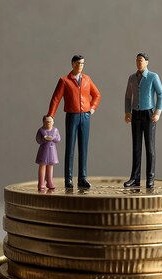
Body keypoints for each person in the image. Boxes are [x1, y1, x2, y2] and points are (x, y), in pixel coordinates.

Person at [46, 55, 101, 189]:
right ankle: (68, 179)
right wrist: (51, 115)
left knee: (83, 148)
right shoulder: (64, 80)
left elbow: (97, 95)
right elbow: (56, 99)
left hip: (85, 117)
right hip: (72, 116)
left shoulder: (87, 79)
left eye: (82, 63)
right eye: (77, 63)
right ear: (72, 64)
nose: (80, 66)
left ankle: (82, 178)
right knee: (70, 147)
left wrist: (92, 108)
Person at [123, 52, 162, 188]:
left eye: (141, 60)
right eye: (137, 60)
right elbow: (128, 97)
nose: (139, 63)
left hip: (148, 114)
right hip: (136, 114)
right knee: (136, 147)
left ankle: (150, 178)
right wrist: (127, 112)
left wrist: (158, 112)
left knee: (150, 148)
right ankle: (135, 178)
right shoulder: (132, 78)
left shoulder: (153, 77)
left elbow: (161, 94)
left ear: (147, 62)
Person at [35, 116, 60, 191]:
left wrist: (53, 138)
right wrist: (44, 139)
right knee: (42, 165)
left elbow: (58, 139)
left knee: (50, 166)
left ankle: (49, 181)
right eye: (47, 121)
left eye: (50, 121)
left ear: (53, 122)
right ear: (43, 122)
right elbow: (38, 140)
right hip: (43, 150)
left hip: (52, 150)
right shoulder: (41, 130)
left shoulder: (55, 130)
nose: (48, 123)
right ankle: (41, 183)